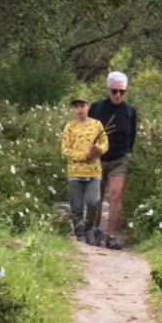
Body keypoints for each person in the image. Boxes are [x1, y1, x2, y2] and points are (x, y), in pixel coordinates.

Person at [88, 71, 137, 249]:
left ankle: (112, 237)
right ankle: (95, 229)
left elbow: (132, 135)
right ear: (108, 90)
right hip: (99, 159)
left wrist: (127, 153)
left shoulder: (130, 111)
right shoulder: (97, 108)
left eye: (122, 92)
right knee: (97, 197)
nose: (118, 95)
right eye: (115, 91)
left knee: (116, 197)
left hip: (119, 160)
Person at [60, 97, 109, 245]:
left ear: (88, 107)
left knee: (94, 202)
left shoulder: (97, 125)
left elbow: (105, 144)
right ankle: (80, 235)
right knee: (76, 206)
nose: (79, 109)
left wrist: (97, 149)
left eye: (82, 105)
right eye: (76, 107)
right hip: (75, 172)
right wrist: (83, 156)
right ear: (73, 110)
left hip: (93, 172)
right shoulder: (70, 127)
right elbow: (65, 150)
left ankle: (89, 229)